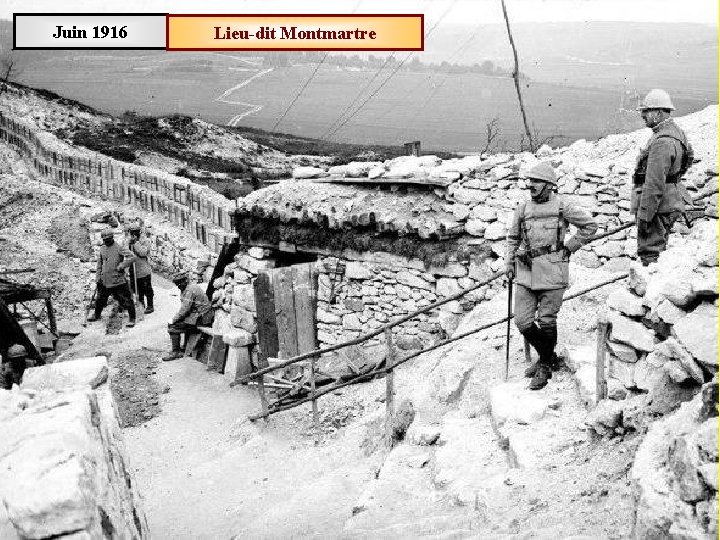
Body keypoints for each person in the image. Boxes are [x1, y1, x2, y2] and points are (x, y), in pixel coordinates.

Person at [505, 162, 598, 390]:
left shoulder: (562, 207)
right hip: (526, 272)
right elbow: (512, 238)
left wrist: (570, 247)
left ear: (549, 185)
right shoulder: (523, 209)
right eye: (530, 182)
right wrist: (508, 263)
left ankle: (545, 365)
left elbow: (590, 226)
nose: (531, 186)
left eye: (536, 182)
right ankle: (548, 356)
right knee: (522, 320)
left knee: (547, 320)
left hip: (554, 270)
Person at [633, 89, 694, 266]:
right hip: (670, 200)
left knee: (650, 252)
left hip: (659, 207)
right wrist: (673, 180)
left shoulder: (661, 141)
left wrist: (645, 216)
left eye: (646, 111)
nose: (643, 115)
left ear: (658, 113)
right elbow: (689, 157)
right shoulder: (677, 132)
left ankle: (650, 288)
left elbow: (653, 184)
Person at [87, 228, 136, 328]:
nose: (106, 241)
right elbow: (100, 264)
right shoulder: (102, 248)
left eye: (108, 239)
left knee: (126, 300)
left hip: (118, 280)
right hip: (104, 280)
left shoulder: (119, 247)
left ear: (112, 238)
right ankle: (96, 315)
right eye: (104, 240)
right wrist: (97, 277)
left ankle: (132, 318)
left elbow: (132, 257)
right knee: (100, 300)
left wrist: (122, 266)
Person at [163, 272, 213, 361]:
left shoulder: (190, 289)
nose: (178, 286)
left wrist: (173, 320)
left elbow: (185, 309)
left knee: (173, 327)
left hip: (202, 318)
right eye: (177, 283)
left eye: (180, 283)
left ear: (186, 281)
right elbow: (185, 309)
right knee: (181, 322)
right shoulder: (187, 288)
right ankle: (183, 348)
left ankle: (176, 352)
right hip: (198, 315)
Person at [126, 223, 154, 314]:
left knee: (147, 289)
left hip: (143, 270)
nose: (132, 235)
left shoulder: (146, 241)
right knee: (138, 290)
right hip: (134, 270)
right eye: (131, 233)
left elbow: (143, 253)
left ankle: (150, 305)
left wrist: (136, 244)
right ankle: (141, 305)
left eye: (134, 233)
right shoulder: (130, 241)